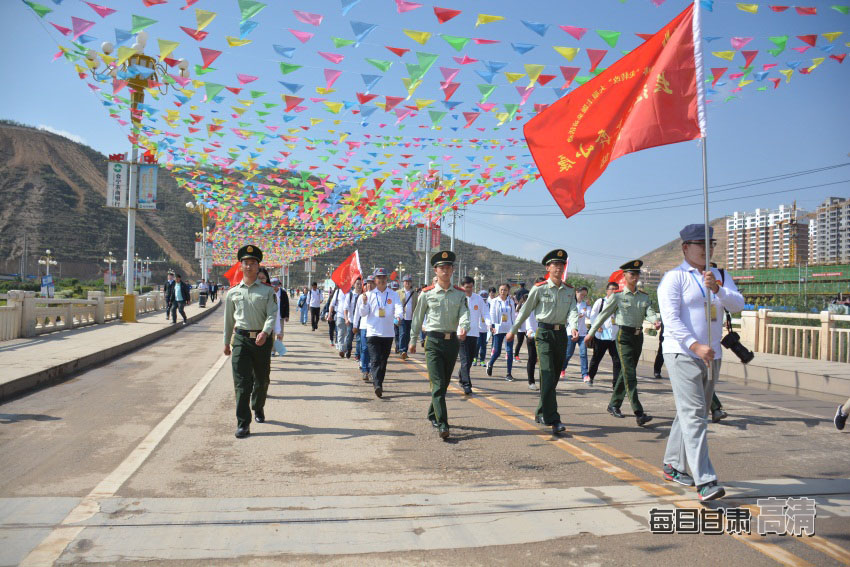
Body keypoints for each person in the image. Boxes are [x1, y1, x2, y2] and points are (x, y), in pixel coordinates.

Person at [657, 224, 745, 501]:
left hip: (712, 355)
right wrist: (695, 345)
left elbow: (738, 305)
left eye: (711, 245)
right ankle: (705, 480)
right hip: (682, 353)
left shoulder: (719, 275)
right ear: (685, 248)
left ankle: (673, 465)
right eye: (700, 245)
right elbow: (671, 321)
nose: (707, 249)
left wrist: (717, 289)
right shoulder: (674, 278)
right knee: (695, 415)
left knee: (690, 413)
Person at [508, 249, 578, 434]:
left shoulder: (569, 290)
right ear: (548, 267)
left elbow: (572, 311)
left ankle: (540, 411)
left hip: (561, 335)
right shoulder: (539, 288)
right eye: (555, 264)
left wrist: (573, 326)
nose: (558, 268)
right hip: (544, 334)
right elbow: (525, 310)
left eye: (561, 265)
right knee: (546, 373)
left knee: (553, 377)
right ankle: (553, 419)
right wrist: (513, 330)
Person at [586, 260, 660, 427]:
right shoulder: (617, 297)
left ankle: (613, 404)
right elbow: (603, 316)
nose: (634, 277)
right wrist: (590, 334)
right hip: (624, 337)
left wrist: (655, 320)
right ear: (625, 276)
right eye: (631, 274)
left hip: (638, 337)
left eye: (637, 274)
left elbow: (649, 312)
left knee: (625, 373)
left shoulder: (643, 297)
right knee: (630, 374)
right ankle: (638, 412)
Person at [408, 250, 470, 440]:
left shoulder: (459, 294)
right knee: (436, 383)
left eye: (448, 267)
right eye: (441, 268)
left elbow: (464, 313)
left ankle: (432, 413)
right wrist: (412, 341)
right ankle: (443, 423)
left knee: (443, 383)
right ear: (435, 271)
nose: (445, 271)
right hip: (433, 342)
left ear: (452, 271)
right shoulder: (427, 294)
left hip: (451, 343)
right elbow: (417, 318)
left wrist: (464, 327)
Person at [223, 245, 277, 439]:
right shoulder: (233, 293)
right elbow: (229, 320)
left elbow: (272, 314)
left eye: (252, 263)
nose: (249, 266)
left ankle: (258, 406)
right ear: (241, 266)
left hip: (262, 342)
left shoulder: (267, 291)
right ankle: (243, 423)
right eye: (245, 263)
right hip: (241, 340)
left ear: (258, 266)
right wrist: (225, 342)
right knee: (242, 383)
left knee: (262, 381)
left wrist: (265, 332)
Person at [359, 268, 402, 398]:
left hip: (388, 333)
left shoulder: (393, 295)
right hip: (373, 333)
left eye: (383, 278)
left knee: (383, 361)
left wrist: (399, 316)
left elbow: (399, 307)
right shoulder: (369, 295)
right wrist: (364, 303)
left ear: (386, 280)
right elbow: (363, 313)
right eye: (379, 278)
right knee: (375, 360)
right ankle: (377, 385)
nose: (381, 280)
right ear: (375, 280)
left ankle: (379, 382)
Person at [457, 275, 488, 395]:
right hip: (461, 333)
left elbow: (485, 312)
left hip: (474, 333)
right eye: (466, 287)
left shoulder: (478, 299)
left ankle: (461, 375)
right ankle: (466, 384)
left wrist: (490, 324)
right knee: (465, 360)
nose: (468, 289)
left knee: (469, 360)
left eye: (470, 287)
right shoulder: (459, 298)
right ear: (462, 287)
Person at [587, 281, 622, 387]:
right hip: (601, 335)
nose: (614, 291)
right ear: (607, 291)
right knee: (596, 358)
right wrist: (596, 327)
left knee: (617, 361)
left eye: (616, 290)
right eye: (612, 289)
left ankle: (615, 383)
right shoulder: (601, 302)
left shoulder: (619, 303)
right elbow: (593, 316)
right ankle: (590, 377)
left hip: (614, 336)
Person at [487, 283, 517, 382]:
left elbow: (513, 315)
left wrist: (514, 328)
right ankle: (490, 364)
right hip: (498, 328)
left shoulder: (511, 301)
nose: (503, 292)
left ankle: (508, 373)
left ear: (508, 291)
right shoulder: (495, 301)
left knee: (509, 351)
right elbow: (492, 313)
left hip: (509, 328)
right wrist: (492, 326)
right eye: (501, 290)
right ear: (499, 291)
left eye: (505, 290)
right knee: (497, 351)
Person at [562, 286, 590, 383]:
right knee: (568, 353)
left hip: (582, 333)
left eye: (584, 295)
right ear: (576, 292)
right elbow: (566, 317)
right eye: (581, 294)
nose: (582, 297)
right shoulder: (570, 303)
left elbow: (589, 314)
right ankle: (562, 368)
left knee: (583, 353)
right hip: (571, 332)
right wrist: (576, 316)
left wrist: (588, 307)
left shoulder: (585, 304)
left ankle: (585, 374)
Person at [522, 277, 545, 391]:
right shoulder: (530, 300)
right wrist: (529, 330)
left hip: (545, 333)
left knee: (544, 359)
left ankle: (544, 383)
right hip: (532, 334)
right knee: (532, 358)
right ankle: (531, 381)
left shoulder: (547, 299)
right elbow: (524, 315)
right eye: (538, 285)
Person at [353, 275, 375, 380]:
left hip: (375, 327)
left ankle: (371, 369)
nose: (369, 286)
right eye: (367, 284)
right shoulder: (362, 297)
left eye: (371, 283)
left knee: (373, 350)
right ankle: (365, 370)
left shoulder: (377, 296)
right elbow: (358, 313)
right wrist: (355, 325)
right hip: (364, 327)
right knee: (365, 348)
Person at [343, 278, 362, 359]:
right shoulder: (349, 295)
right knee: (349, 338)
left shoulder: (363, 296)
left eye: (360, 284)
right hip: (351, 321)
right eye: (357, 284)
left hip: (360, 321)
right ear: (354, 285)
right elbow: (345, 309)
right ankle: (349, 350)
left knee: (359, 339)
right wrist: (346, 319)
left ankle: (357, 354)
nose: (359, 286)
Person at [398, 274, 416, 360]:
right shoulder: (399, 292)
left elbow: (416, 304)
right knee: (403, 333)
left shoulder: (414, 293)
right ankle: (402, 351)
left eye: (409, 282)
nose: (407, 283)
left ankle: (404, 350)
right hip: (402, 317)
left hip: (411, 317)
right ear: (403, 283)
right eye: (406, 282)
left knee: (408, 335)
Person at [270, 277, 288, 356]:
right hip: (271, 317)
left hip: (280, 316)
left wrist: (287, 315)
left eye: (275, 285)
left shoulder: (283, 293)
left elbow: (286, 304)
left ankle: (279, 348)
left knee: (280, 334)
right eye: (272, 285)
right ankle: (273, 350)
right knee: (272, 334)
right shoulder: (269, 292)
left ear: (278, 285)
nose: (274, 287)